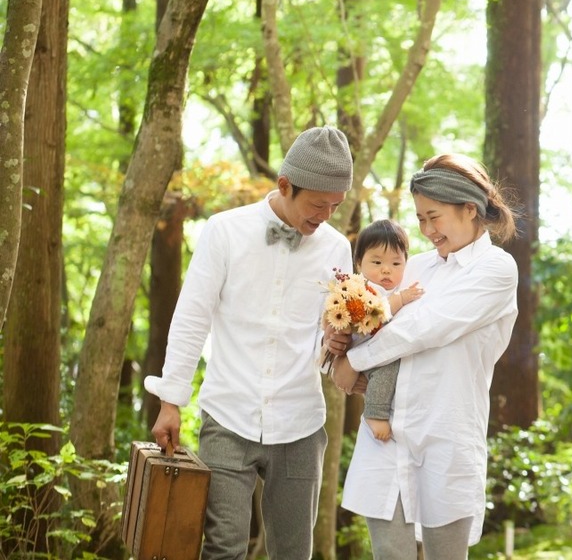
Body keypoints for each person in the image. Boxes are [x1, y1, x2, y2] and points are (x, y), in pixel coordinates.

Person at [145, 126, 354, 560]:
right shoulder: (224, 231)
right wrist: (170, 402)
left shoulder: (336, 248)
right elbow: (191, 318)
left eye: (336, 205)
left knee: (294, 552)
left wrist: (336, 341)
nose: (327, 216)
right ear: (284, 185)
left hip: (301, 422)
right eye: (318, 204)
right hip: (228, 415)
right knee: (223, 548)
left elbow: (325, 336)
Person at [327, 153, 518, 560]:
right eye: (420, 219)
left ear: (470, 209)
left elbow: (421, 329)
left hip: (445, 436)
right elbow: (363, 317)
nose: (427, 230)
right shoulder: (415, 267)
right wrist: (333, 353)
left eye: (435, 217)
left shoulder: (496, 269)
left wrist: (354, 364)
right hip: (386, 437)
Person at [351, 218, 425, 441]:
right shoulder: (362, 288)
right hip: (363, 348)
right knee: (388, 362)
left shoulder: (395, 287)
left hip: (370, 351)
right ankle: (375, 412)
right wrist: (400, 299)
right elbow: (374, 314)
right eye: (376, 263)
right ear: (358, 264)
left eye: (396, 264)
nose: (386, 270)